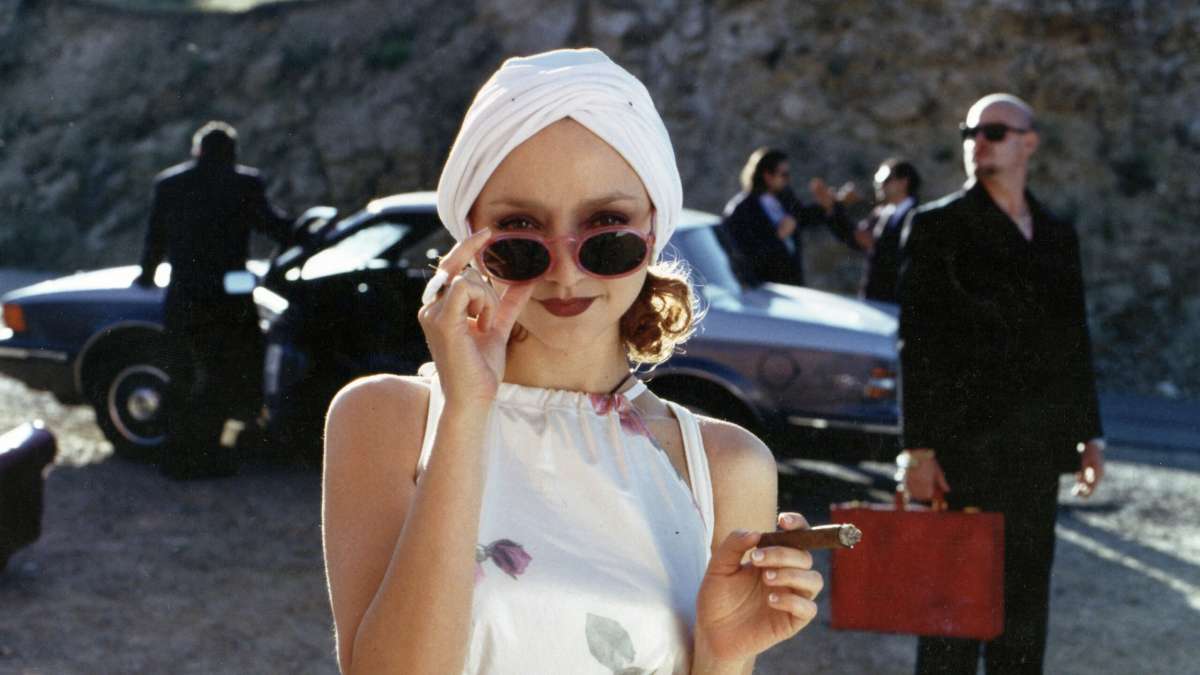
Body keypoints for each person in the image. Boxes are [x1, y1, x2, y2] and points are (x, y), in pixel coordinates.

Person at [322, 49, 823, 674]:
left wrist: (723, 654)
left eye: (606, 229)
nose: (564, 270)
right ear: (469, 238)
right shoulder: (387, 419)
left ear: (653, 230)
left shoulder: (728, 465)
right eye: (520, 232)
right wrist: (466, 412)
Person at [896, 93, 1105, 674]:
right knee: (952, 619)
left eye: (993, 132)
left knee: (1024, 616)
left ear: (1028, 143)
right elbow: (918, 345)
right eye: (969, 133)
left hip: (1035, 455)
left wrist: (1090, 435)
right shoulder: (937, 227)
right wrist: (917, 449)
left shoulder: (1057, 234)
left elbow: (1073, 341)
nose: (977, 143)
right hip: (962, 454)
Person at [136, 121, 291, 479]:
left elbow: (154, 238)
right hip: (229, 301)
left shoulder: (169, 184)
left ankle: (177, 458)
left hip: (184, 297)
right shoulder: (245, 183)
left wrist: (146, 275)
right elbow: (272, 225)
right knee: (225, 375)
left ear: (197, 150)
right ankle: (212, 455)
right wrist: (303, 234)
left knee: (183, 374)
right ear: (232, 153)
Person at [720, 147, 856, 287]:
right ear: (767, 176)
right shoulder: (741, 210)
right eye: (784, 175)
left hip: (792, 279)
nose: (788, 180)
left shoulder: (784, 197)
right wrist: (778, 235)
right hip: (764, 285)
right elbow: (743, 254)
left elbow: (803, 217)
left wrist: (833, 204)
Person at [836, 158, 921, 303]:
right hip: (875, 297)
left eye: (885, 180)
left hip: (899, 300)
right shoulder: (882, 214)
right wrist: (834, 209)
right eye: (877, 180)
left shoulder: (920, 217)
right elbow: (856, 239)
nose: (879, 185)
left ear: (903, 182)